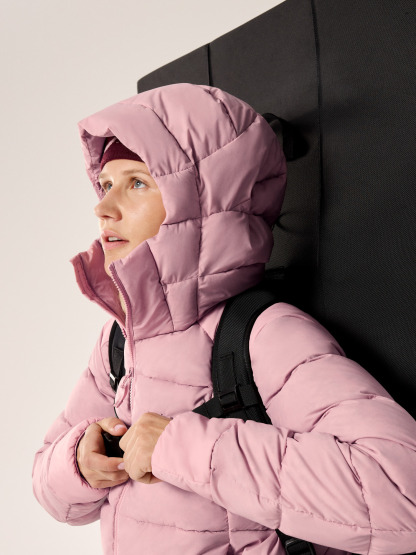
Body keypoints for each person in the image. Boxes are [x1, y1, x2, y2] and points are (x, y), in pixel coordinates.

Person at [32, 83, 416, 555]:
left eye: (137, 183)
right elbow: (51, 492)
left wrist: (183, 449)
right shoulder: (120, 340)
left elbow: (401, 498)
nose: (103, 208)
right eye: (106, 185)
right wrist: (78, 463)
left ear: (202, 204)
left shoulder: (263, 333)